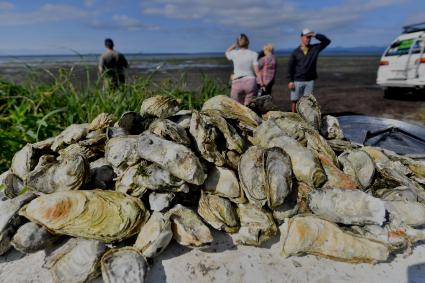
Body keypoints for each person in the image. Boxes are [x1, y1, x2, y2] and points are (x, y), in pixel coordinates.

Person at [287, 28, 331, 112]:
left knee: (308, 102)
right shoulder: (295, 52)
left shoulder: (315, 49)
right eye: (306, 37)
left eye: (310, 37)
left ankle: (305, 119)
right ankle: (294, 117)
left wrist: (315, 34)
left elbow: (327, 41)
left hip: (310, 81)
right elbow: (290, 67)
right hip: (297, 80)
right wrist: (290, 80)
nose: (308, 39)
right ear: (301, 37)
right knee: (295, 101)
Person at [225, 34, 263, 105]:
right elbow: (257, 71)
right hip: (250, 82)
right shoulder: (254, 54)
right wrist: (262, 83)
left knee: (236, 106)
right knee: (249, 106)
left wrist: (235, 44)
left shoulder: (234, 53)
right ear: (248, 42)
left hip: (237, 81)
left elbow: (227, 52)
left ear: (238, 43)